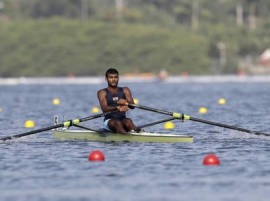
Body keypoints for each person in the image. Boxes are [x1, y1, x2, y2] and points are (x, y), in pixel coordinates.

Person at [97, 68, 136, 134]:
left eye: (115, 77)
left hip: (123, 119)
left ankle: (135, 135)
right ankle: (124, 138)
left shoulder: (125, 90)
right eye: (111, 77)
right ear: (106, 79)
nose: (113, 80)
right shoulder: (102, 92)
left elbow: (133, 106)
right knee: (117, 123)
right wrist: (117, 107)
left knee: (129, 121)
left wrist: (126, 103)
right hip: (109, 121)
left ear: (118, 78)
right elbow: (104, 108)